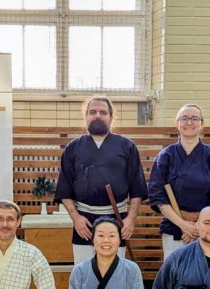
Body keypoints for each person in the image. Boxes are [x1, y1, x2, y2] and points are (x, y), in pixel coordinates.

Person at [54, 96, 148, 263]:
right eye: (92, 112)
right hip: (84, 221)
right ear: (86, 116)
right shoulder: (73, 147)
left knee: (114, 274)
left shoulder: (127, 147)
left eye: (103, 112)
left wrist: (131, 219)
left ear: (111, 117)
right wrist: (76, 218)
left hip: (116, 217)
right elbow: (65, 189)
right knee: (83, 272)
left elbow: (137, 188)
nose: (97, 115)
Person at [147, 104, 210, 259]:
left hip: (206, 230)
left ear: (202, 124)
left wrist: (198, 226)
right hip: (174, 227)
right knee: (174, 276)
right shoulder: (166, 156)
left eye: (194, 118)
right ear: (177, 123)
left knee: (204, 276)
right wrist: (183, 225)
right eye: (184, 118)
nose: (189, 123)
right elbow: (158, 196)